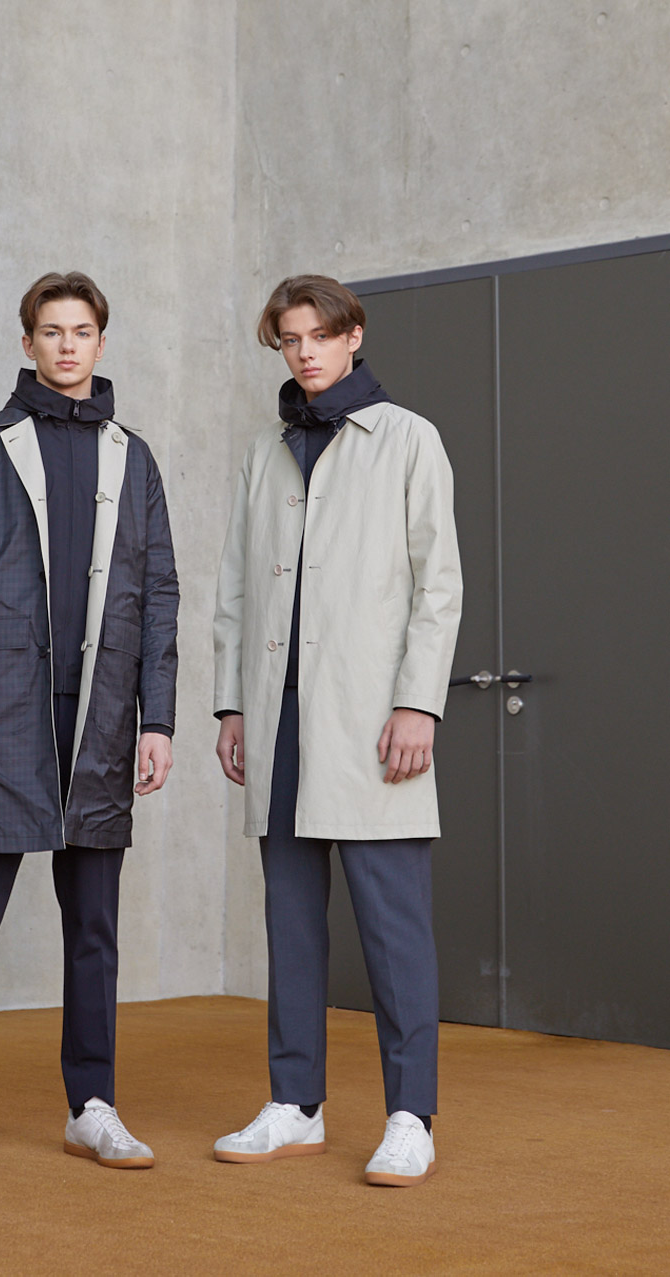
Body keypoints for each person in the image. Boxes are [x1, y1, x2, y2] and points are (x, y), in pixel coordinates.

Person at [0, 271, 178, 1174]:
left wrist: (157, 719)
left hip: (100, 723)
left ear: (102, 341)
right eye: (51, 331)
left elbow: (160, 597)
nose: (67, 345)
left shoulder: (135, 459)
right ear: (27, 343)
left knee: (94, 930)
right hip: (0, 719)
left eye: (82, 330)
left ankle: (92, 1106)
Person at [212, 275, 461, 1186]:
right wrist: (233, 704)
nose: (305, 352)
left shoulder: (409, 439)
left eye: (320, 334)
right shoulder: (266, 450)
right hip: (279, 719)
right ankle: (296, 1103)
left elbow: (438, 587)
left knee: (394, 930)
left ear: (354, 335)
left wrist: (418, 703)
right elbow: (236, 589)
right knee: (291, 924)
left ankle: (410, 1115)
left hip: (371, 719)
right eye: (290, 339)